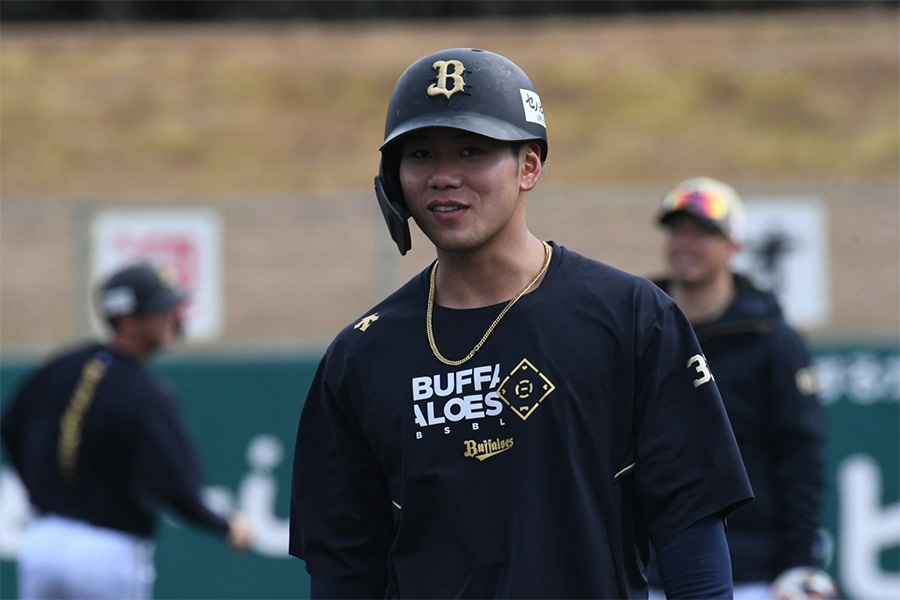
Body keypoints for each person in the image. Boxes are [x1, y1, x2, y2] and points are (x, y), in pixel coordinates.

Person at [289, 48, 754, 599]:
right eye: (420, 154)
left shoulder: (630, 317)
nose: (443, 177)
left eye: (471, 150)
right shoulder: (361, 355)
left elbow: (690, 527)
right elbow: (344, 568)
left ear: (529, 165)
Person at [0, 262, 254, 600]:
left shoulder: (62, 367)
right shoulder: (143, 390)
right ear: (128, 320)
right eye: (159, 309)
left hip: (44, 543)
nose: (171, 316)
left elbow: (11, 426)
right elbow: (176, 482)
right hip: (109, 550)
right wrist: (222, 524)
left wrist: (41, 489)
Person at [648, 177, 829, 599]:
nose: (685, 243)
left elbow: (800, 456)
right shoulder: (638, 321)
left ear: (734, 246)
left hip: (748, 572)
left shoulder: (771, 338)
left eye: (703, 232)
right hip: (647, 567)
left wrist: (800, 562)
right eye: (677, 230)